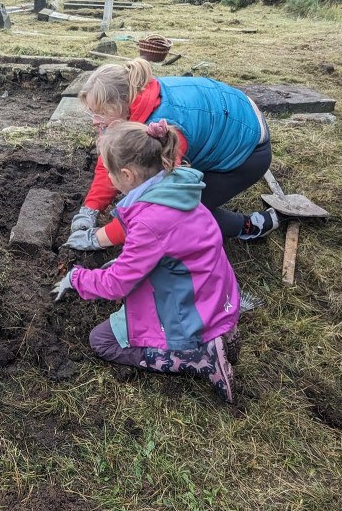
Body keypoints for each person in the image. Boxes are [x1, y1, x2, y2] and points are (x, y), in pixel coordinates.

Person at [51, 120, 241, 402]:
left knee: (101, 341)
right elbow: (159, 253)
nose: (108, 179)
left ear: (126, 175)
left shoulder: (150, 221)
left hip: (192, 310)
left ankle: (199, 356)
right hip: (217, 295)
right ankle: (222, 334)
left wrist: (76, 278)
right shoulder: (177, 188)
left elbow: (117, 285)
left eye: (108, 173)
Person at [68, 59, 277, 252]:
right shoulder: (126, 106)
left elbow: (158, 206)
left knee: (184, 216)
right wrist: (90, 208)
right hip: (227, 113)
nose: (95, 121)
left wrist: (101, 238)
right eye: (93, 113)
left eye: (100, 113)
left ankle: (251, 226)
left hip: (249, 148)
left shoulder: (162, 129)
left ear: (122, 104)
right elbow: (111, 161)